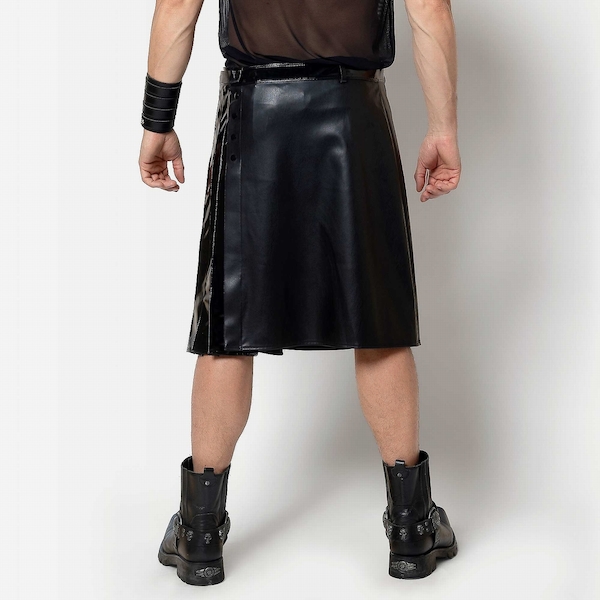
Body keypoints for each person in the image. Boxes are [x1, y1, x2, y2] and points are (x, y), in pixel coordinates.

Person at [139, 0, 461, 585]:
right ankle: (411, 528)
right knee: (377, 319)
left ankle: (199, 536)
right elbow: (430, 10)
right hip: (353, 113)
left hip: (254, 113)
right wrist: (442, 129)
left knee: (229, 325)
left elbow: (178, 8)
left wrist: (157, 123)